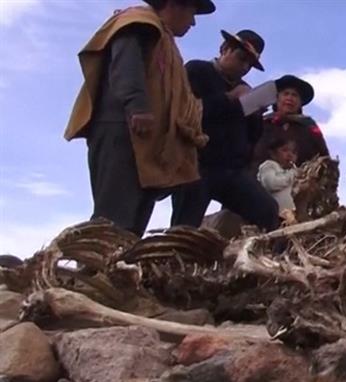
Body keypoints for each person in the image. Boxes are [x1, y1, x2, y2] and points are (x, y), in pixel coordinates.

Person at [64, 0, 215, 236]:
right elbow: (126, 64)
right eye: (192, 12)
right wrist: (137, 106)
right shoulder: (138, 22)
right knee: (114, 216)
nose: (193, 22)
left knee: (134, 224)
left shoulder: (165, 41)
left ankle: (121, 259)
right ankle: (94, 259)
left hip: (146, 139)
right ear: (175, 5)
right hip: (123, 129)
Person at [170, 29, 279, 231]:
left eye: (249, 64)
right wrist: (229, 98)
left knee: (268, 211)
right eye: (241, 59)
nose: (244, 67)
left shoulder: (245, 88)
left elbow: (253, 135)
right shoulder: (197, 70)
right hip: (195, 165)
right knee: (184, 226)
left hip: (231, 170)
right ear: (224, 49)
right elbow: (186, 112)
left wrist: (255, 113)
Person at [254, 74, 330, 167]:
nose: (289, 98)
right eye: (286, 94)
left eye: (294, 95)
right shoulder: (262, 123)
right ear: (277, 99)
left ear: (300, 103)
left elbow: (324, 157)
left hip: (299, 174)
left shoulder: (309, 126)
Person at [258, 138, 297, 212]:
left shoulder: (288, 172)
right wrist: (293, 174)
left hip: (289, 214)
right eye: (285, 150)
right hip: (275, 214)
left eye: (293, 152)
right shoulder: (268, 165)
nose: (290, 155)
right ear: (273, 154)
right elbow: (271, 184)